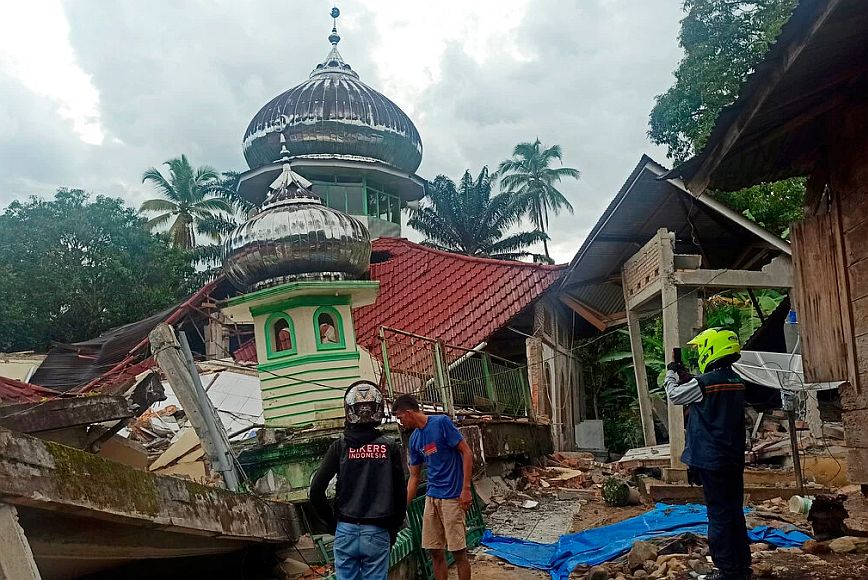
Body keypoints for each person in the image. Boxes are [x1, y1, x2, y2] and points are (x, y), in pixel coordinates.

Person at [664, 329, 751, 580]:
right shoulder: (736, 381)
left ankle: (726, 570)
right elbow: (708, 393)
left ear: (711, 349)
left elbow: (675, 395)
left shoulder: (705, 383)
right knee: (734, 513)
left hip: (712, 460)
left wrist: (671, 373)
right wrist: (688, 377)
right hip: (732, 458)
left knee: (718, 515)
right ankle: (742, 567)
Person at [309, 381, 407, 580]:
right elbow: (400, 495)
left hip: (345, 529)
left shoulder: (340, 447)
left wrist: (332, 524)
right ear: (378, 410)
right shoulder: (390, 448)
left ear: (348, 410)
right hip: (378, 531)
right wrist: (393, 529)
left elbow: (316, 491)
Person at [392, 394, 474, 580]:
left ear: (409, 412)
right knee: (435, 551)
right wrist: (401, 507)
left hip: (452, 497)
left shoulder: (441, 423)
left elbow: (467, 452)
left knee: (458, 552)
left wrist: (466, 488)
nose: (400, 421)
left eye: (400, 417)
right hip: (432, 497)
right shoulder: (414, 439)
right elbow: (414, 477)